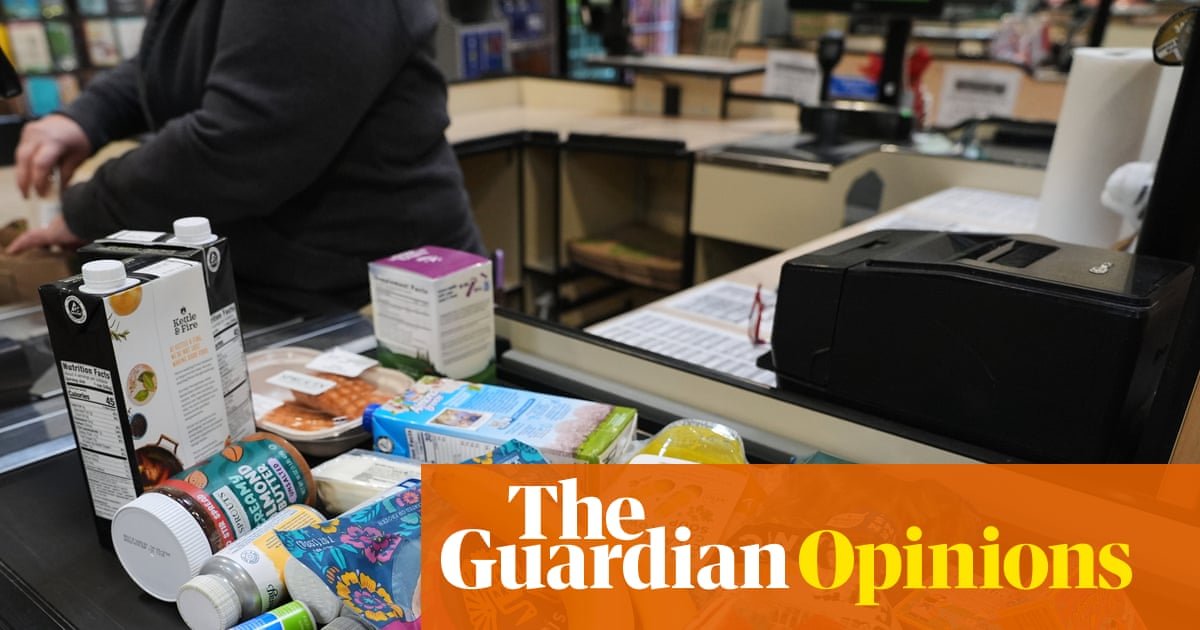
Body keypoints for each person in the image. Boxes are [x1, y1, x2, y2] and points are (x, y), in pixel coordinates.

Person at [6, 0, 485, 324]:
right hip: (293, 286)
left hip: (376, 305)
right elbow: (188, 58)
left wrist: (87, 210)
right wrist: (87, 116)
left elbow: (237, 144)